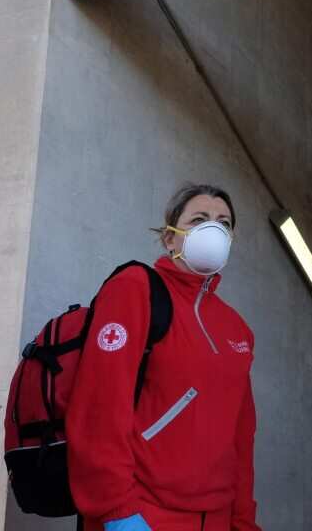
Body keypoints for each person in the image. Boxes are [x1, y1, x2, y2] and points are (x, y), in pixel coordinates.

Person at [69, 183, 260, 531]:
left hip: (216, 518)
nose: (213, 229)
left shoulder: (236, 328)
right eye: (199, 219)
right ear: (170, 238)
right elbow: (99, 406)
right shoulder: (135, 289)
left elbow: (241, 436)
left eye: (224, 223)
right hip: (142, 513)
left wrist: (242, 519)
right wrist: (117, 512)